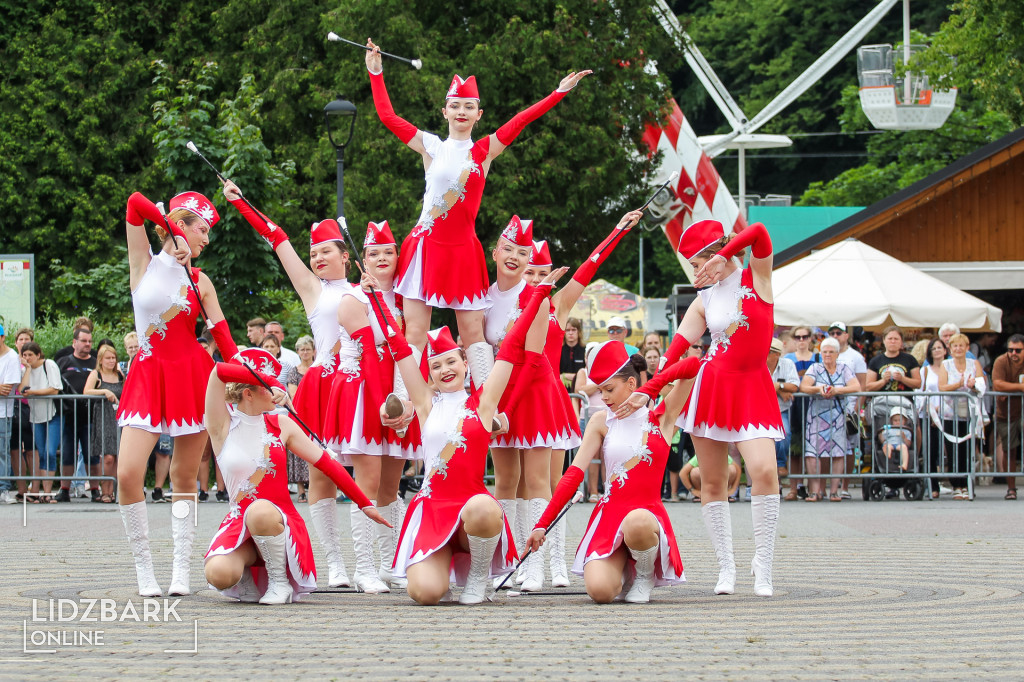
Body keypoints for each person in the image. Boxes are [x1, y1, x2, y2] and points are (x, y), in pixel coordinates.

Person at [364, 38, 591, 375]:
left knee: (473, 335)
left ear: (478, 114)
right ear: (445, 111)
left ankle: (484, 409)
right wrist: (376, 72)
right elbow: (388, 116)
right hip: (424, 247)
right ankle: (408, 407)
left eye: (468, 107)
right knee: (413, 334)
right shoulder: (431, 146)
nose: (461, 112)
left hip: (462, 252)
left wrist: (557, 93)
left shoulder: (484, 151)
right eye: (455, 105)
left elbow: (520, 122)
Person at [367, 267, 563, 605]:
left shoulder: (484, 403)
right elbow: (399, 347)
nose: (445, 370)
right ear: (429, 375)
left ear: (466, 364)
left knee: (486, 509)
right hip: (432, 508)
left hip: (472, 507)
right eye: (437, 366)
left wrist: (540, 294)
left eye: (451, 362)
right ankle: (442, 569)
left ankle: (477, 578)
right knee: (424, 593)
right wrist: (374, 297)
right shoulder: (425, 404)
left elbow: (514, 345)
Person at [626, 219, 784, 597]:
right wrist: (648, 390)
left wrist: (727, 254)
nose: (696, 271)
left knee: (763, 471)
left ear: (718, 254)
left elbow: (761, 230)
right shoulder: (704, 300)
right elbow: (675, 351)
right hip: (712, 388)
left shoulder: (756, 278)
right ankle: (725, 567)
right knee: (712, 482)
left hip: (752, 387)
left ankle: (763, 564)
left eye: (699, 262)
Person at [116, 188, 238, 597]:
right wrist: (172, 230)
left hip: (192, 377)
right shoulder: (144, 263)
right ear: (180, 224)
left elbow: (222, 334)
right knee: (129, 472)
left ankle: (180, 570)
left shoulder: (199, 280)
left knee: (186, 476)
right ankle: (143, 569)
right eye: (200, 229)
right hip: (148, 375)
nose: (206, 238)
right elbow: (135, 201)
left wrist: (244, 375)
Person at [202, 348, 389, 604]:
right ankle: (251, 578)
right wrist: (271, 381)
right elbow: (217, 372)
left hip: (278, 520)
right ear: (248, 393)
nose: (278, 391)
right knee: (218, 573)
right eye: (269, 386)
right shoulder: (222, 425)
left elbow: (326, 463)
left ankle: (279, 581)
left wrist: (364, 503)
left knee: (259, 511)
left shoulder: (282, 425)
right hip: (239, 523)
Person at [515, 214, 643, 588]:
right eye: (530, 274)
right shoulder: (508, 308)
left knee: (552, 481)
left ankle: (554, 562)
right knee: (517, 483)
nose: (537, 280)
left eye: (542, 274)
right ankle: (522, 560)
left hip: (549, 398)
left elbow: (590, 267)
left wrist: (618, 230)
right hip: (517, 397)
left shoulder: (557, 305)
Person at [525, 341, 692, 603]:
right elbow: (573, 475)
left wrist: (650, 390)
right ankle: (624, 571)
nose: (603, 397)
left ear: (631, 384)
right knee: (600, 592)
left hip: (645, 518)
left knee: (637, 521)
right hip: (609, 516)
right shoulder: (601, 421)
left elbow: (692, 366)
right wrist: (542, 524)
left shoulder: (662, 416)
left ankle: (644, 574)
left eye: (609, 389)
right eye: (601, 390)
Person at [322, 219, 422, 593]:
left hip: (397, 390)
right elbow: (368, 356)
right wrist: (387, 406)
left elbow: (409, 351)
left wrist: (405, 403)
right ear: (362, 259)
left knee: (392, 485)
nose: (381, 258)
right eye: (373, 253)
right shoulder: (354, 299)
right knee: (367, 483)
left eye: (388, 252)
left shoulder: (406, 298)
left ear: (399, 257)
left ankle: (389, 563)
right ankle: (363, 568)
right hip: (363, 393)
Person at [799, 337, 861, 502]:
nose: (827, 355)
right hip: (816, 417)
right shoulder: (815, 368)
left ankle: (834, 491)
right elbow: (804, 387)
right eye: (824, 351)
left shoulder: (844, 368)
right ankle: (815, 491)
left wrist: (837, 390)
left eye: (831, 352)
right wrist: (818, 389)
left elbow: (856, 387)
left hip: (838, 416)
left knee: (839, 452)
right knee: (813, 453)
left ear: (837, 353)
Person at [938, 333, 985, 501]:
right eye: (954, 346)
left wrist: (973, 386)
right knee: (953, 450)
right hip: (951, 413)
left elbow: (982, 384)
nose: (958, 349)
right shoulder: (946, 364)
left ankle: (967, 484)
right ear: (950, 349)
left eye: (961, 346)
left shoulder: (974, 363)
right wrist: (958, 384)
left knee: (968, 450)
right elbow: (942, 386)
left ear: (967, 347)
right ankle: (956, 485)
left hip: (970, 413)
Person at [55, 327, 97, 502]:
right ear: (74, 342)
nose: (87, 344)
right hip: (68, 415)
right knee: (67, 454)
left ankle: (95, 489)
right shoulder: (63, 362)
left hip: (91, 416)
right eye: (84, 341)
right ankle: (65, 489)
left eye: (89, 341)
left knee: (92, 455)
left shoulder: (96, 362)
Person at [18, 342, 61, 502]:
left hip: (53, 414)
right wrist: (28, 369)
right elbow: (22, 390)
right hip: (35, 417)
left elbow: (54, 388)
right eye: (25, 355)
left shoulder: (49, 365)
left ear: (38, 354)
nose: (27, 358)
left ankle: (48, 492)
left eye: (30, 355)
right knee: (42, 453)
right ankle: (45, 492)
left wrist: (33, 392)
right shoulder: (25, 370)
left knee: (50, 452)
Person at [83, 344, 124, 503]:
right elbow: (86, 391)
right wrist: (104, 391)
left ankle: (113, 490)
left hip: (118, 418)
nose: (111, 361)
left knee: (116, 456)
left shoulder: (120, 375)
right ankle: (105, 490)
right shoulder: (96, 374)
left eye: (113, 357)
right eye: (108, 358)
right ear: (100, 360)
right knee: (107, 457)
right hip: (103, 417)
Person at [830, 322, 866, 499]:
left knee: (849, 447)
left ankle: (845, 484)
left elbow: (862, 384)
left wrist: (858, 408)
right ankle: (829, 485)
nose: (835, 336)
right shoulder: (825, 353)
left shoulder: (856, 356)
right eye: (832, 333)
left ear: (846, 336)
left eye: (839, 333)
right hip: (828, 408)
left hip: (849, 407)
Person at [781, 325, 818, 500]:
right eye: (798, 337)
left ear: (810, 338)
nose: (801, 340)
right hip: (794, 406)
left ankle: (814, 488)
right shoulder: (788, 359)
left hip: (815, 405)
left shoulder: (817, 358)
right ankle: (794, 488)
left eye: (804, 337)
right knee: (794, 448)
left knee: (813, 448)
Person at [991, 334, 1024, 500]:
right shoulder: (1001, 361)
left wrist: (1012, 389)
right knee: (1009, 450)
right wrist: (1021, 387)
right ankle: (1011, 488)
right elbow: (998, 384)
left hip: (1022, 411)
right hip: (1006, 412)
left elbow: (1004, 385)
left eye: (1018, 350)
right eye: (1010, 349)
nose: (1013, 353)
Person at [918, 338, 950, 499]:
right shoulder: (925, 370)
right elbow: (920, 392)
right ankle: (933, 485)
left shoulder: (951, 368)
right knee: (930, 450)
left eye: (940, 347)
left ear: (945, 350)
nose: (937, 350)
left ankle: (959, 483)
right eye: (933, 348)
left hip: (949, 413)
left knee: (951, 449)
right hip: (929, 415)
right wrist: (929, 410)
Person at [769, 338, 799, 498]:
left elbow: (794, 386)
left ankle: (780, 464)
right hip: (762, 410)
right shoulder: (757, 364)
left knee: (784, 434)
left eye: (768, 352)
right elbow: (756, 384)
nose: (765, 355)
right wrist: (781, 390)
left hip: (781, 410)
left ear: (777, 354)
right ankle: (775, 472)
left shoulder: (787, 365)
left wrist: (778, 386)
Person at [9, 328, 36, 501]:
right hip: (13, 406)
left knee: (32, 449)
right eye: (21, 339)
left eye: (27, 338)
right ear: (16, 342)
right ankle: (21, 489)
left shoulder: (37, 362)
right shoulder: (11, 360)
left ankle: (35, 487)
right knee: (15, 449)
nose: (23, 341)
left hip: (30, 408)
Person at [0, 323, 23, 504]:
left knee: (2, 452)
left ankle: (4, 489)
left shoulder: (11, 357)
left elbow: (6, 390)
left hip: (3, 414)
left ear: (3, 338)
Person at [866, 326, 921, 392]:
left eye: (896, 339)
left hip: (904, 401)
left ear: (901, 342)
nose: (893, 341)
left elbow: (918, 384)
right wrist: (883, 381)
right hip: (881, 400)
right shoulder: (875, 361)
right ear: (884, 340)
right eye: (890, 338)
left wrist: (902, 379)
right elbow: (868, 387)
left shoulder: (910, 359)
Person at [880, 408, 912, 472]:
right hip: (889, 443)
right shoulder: (889, 429)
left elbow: (908, 444)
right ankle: (888, 454)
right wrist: (881, 434)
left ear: (905, 421)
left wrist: (904, 437)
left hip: (900, 444)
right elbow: (882, 439)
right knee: (887, 445)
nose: (897, 422)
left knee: (904, 447)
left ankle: (904, 464)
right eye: (895, 420)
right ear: (891, 421)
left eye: (900, 420)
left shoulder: (906, 430)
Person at [558, 317, 586, 389]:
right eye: (567, 330)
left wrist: (566, 376)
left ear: (578, 331)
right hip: (561, 388)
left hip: (580, 389)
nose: (570, 333)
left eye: (573, 330)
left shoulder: (584, 350)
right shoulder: (559, 350)